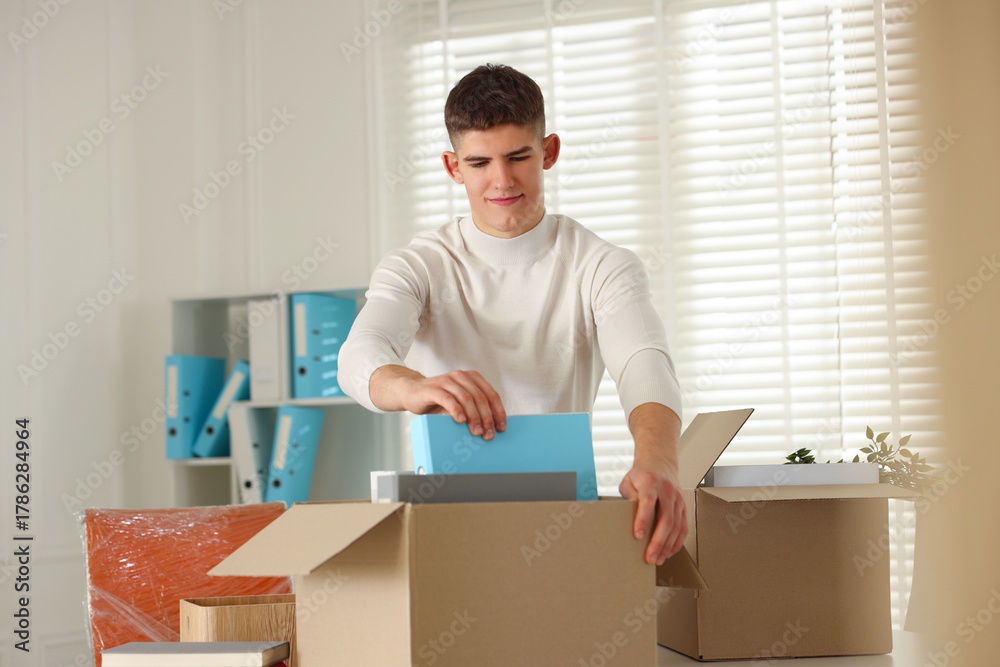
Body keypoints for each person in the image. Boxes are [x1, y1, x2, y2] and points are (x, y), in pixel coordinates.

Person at [338, 63, 686, 566]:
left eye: (518, 157)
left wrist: (658, 462)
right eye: (479, 162)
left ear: (549, 152)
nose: (501, 181)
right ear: (453, 167)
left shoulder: (602, 265)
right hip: (444, 525)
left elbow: (643, 363)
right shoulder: (419, 265)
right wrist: (412, 387)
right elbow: (359, 355)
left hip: (562, 521)